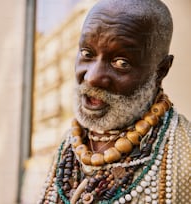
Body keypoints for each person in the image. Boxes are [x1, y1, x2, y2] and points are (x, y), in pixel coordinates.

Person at [38, 0, 191, 203]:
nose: (92, 77)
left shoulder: (184, 154)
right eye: (87, 54)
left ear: (161, 70)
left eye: (121, 62)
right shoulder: (69, 146)